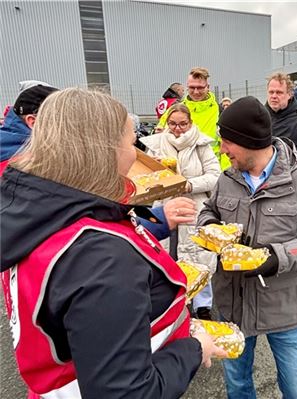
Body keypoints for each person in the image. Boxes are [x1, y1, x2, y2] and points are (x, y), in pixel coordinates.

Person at [0, 88, 226, 398]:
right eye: (132, 141)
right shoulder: (100, 257)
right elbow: (126, 392)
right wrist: (193, 349)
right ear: (105, 150)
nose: (137, 154)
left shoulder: (36, 217)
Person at [196, 96, 297, 399]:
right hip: (232, 306)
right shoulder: (227, 178)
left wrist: (276, 258)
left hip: (283, 309)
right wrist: (211, 226)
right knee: (238, 385)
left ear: (249, 141)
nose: (222, 149)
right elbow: (207, 211)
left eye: (227, 142)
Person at [0, 83, 193, 242]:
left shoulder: (32, 171)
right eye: (131, 144)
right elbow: (97, 233)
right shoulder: (27, 168)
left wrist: (155, 218)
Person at [141, 103, 221, 320]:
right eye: (173, 124)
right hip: (164, 209)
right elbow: (144, 178)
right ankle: (174, 304)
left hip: (192, 209)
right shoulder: (156, 145)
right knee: (167, 255)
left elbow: (215, 176)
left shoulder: (201, 144)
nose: (177, 129)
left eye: (182, 124)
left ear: (190, 123)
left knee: (197, 255)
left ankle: (203, 306)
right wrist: (159, 179)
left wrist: (188, 185)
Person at [157, 67, 231, 170]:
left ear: (207, 87)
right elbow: (159, 138)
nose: (196, 92)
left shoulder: (220, 112)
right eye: (192, 87)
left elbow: (227, 145)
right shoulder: (174, 110)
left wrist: (225, 173)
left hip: (210, 170)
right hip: (181, 170)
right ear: (187, 87)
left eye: (200, 87)